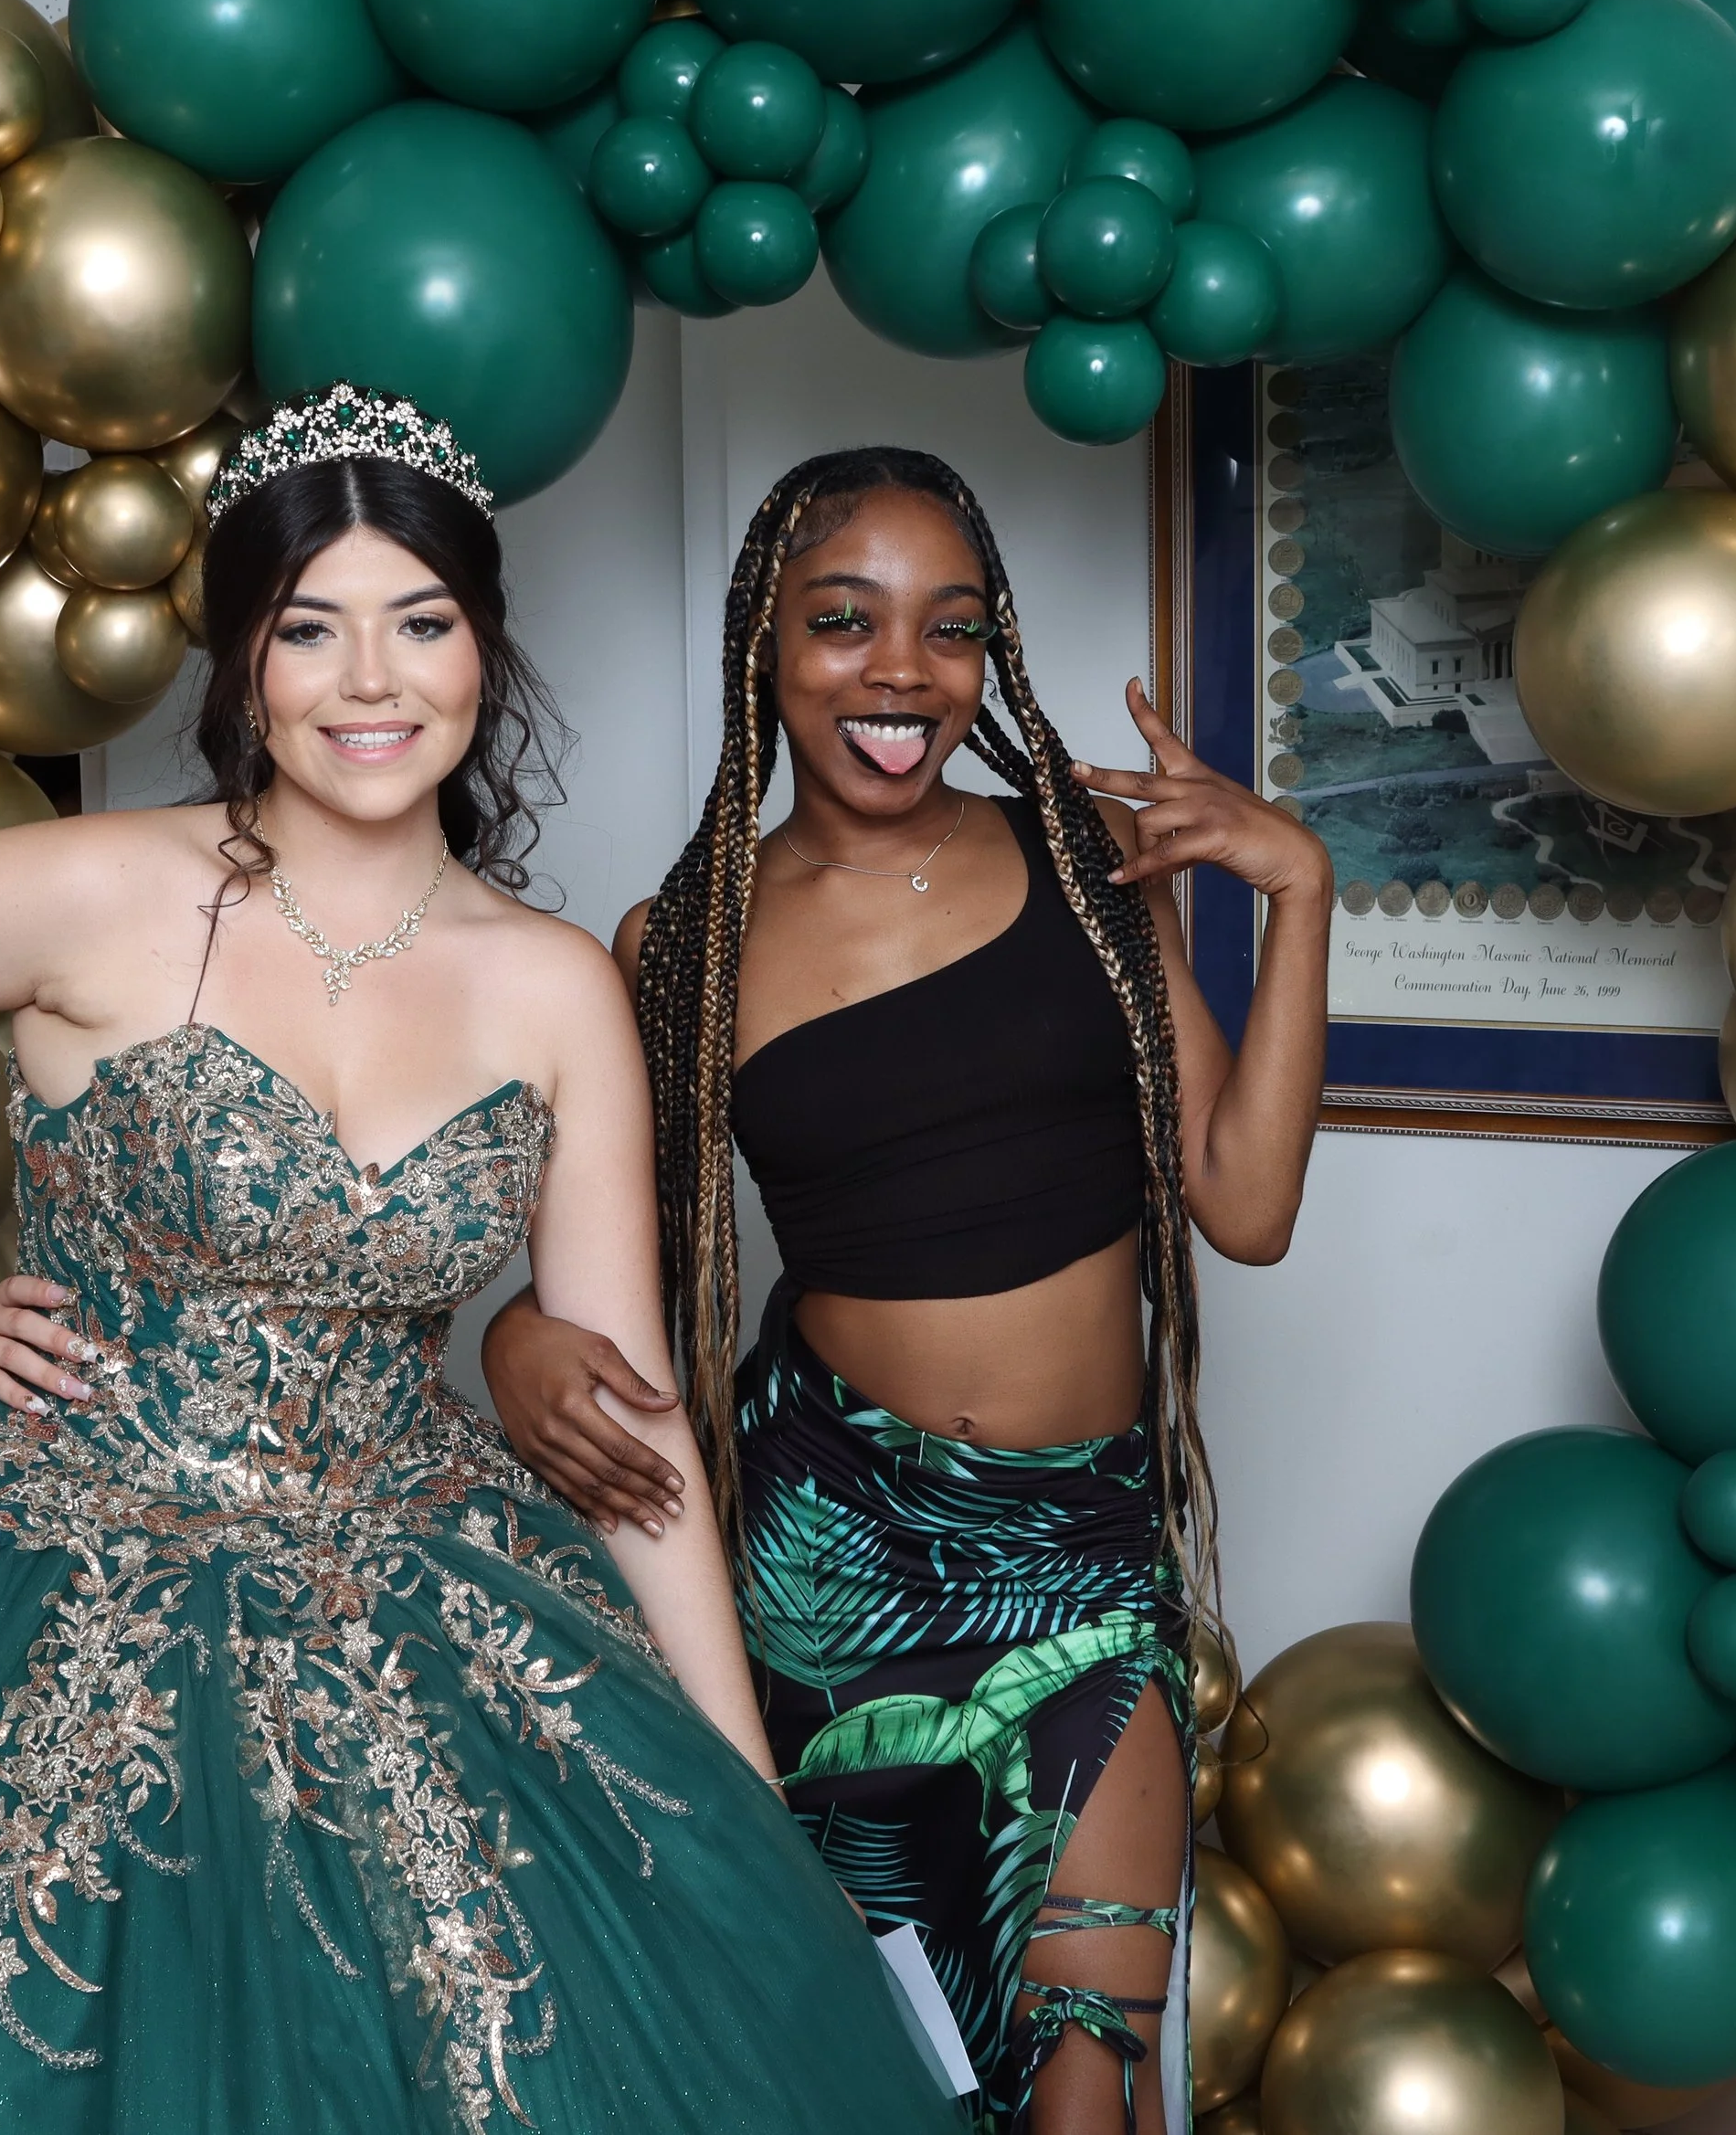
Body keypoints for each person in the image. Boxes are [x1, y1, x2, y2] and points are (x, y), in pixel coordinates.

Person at [0, 388, 960, 2135]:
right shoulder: (88, 889)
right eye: (308, 628)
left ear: (483, 648)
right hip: (39, 1565)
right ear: (241, 661)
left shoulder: (557, 986)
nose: (370, 682)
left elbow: (633, 1423)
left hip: (409, 1598)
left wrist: (744, 1787)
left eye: (422, 623)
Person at [482, 447, 1331, 2133]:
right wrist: (516, 1342)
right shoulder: (684, 942)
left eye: (950, 629)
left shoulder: (1091, 859)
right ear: (766, 646)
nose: (900, 672)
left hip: (1082, 1550)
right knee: (881, 2062)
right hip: (829, 1560)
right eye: (842, 620)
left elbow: (1244, 1207)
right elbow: (619, 1274)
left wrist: (1301, 890)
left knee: (1089, 2073)